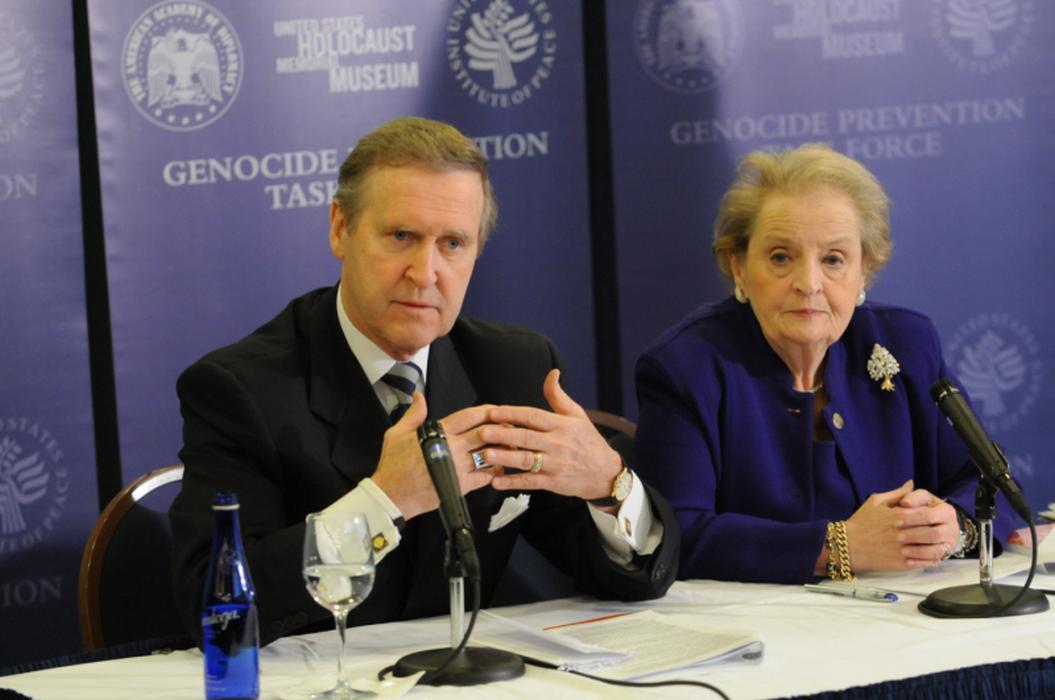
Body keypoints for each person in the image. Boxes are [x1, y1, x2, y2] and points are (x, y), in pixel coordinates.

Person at [170, 116, 677, 645]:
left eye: (452, 243)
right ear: (341, 228)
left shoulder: (515, 367)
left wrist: (610, 487)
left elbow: (621, 577)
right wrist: (384, 501)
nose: (425, 272)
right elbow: (218, 608)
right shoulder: (240, 390)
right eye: (401, 236)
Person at [634, 143, 1014, 584]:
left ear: (864, 272)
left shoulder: (906, 344)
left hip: (900, 626)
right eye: (781, 257)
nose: (808, 283)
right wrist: (837, 547)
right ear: (738, 267)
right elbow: (674, 535)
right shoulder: (687, 367)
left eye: (833, 260)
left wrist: (955, 527)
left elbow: (993, 485)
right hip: (757, 634)